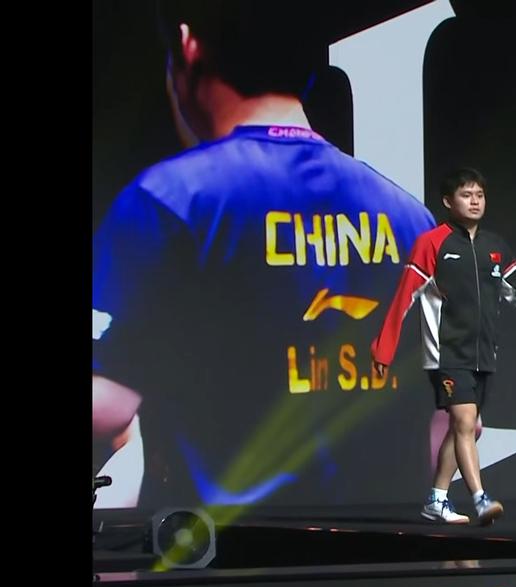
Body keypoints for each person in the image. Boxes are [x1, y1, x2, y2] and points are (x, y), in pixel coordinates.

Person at [92, 0, 435, 508]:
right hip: (389, 551)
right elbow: (448, 419)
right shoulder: (412, 219)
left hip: (234, 553)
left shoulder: (171, 202)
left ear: (188, 45)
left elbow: (109, 406)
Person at [372, 168, 516, 526]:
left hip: (484, 353)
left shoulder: (495, 246)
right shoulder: (431, 244)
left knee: (467, 428)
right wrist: (383, 349)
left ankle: (437, 500)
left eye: (479, 195)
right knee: (463, 421)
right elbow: (403, 298)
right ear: (449, 202)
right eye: (466, 195)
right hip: (446, 353)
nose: (475, 201)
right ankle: (481, 498)